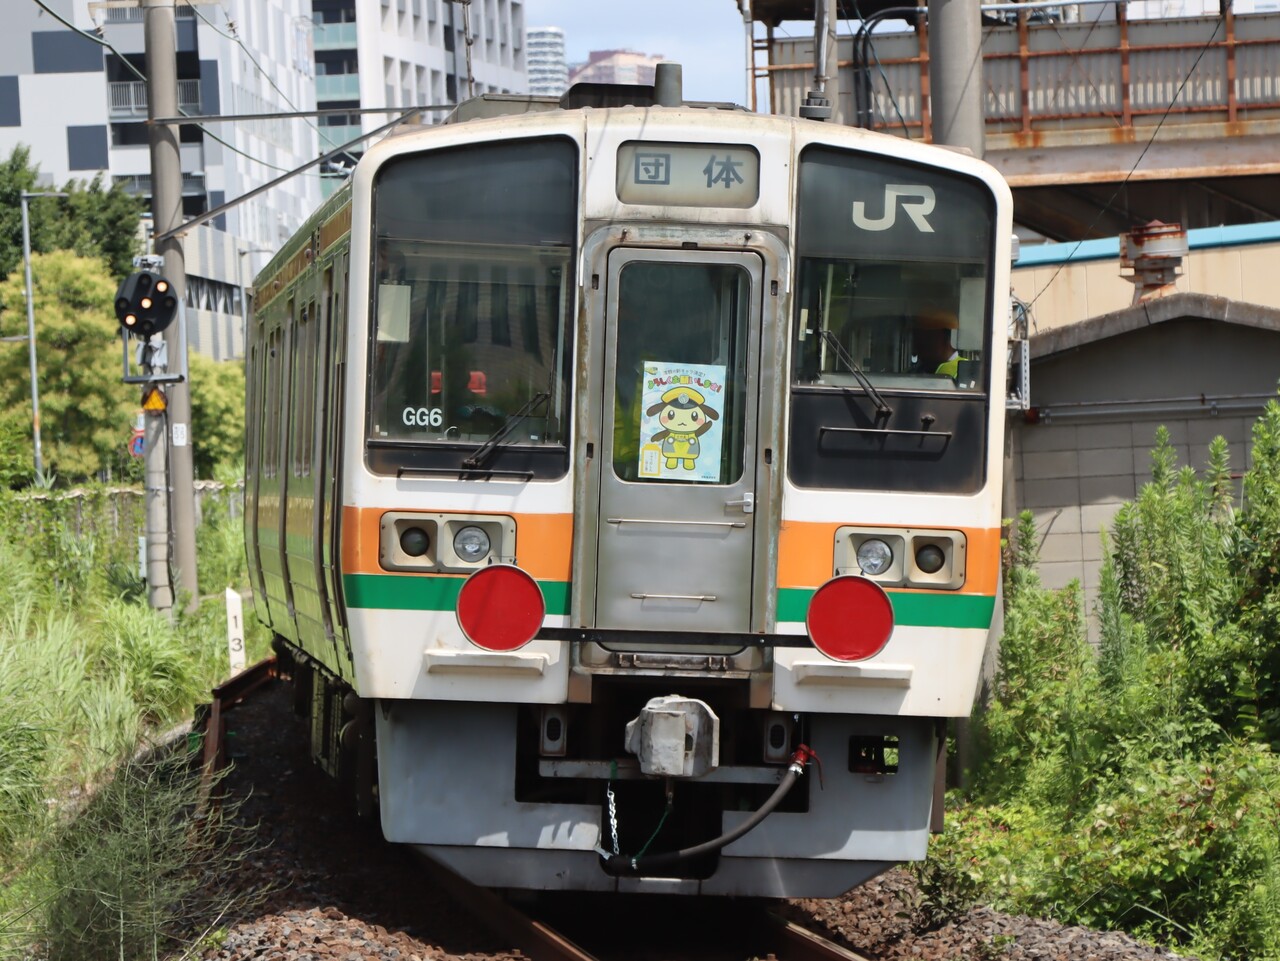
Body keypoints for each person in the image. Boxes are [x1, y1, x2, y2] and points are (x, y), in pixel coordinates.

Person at [911, 311, 962, 378]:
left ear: (947, 338)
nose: (917, 343)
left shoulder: (964, 372)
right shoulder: (913, 372)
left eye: (927, 337)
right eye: (916, 336)